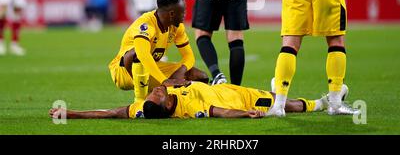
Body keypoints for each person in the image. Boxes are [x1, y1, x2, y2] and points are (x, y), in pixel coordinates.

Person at [49, 81, 351, 120]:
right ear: (169, 106)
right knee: (282, 103)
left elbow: (110, 113)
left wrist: (70, 113)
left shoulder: (145, 109)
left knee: (278, 98)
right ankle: (321, 103)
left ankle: (323, 101)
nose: (156, 90)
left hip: (221, 88)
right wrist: (244, 114)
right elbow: (219, 112)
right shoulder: (190, 109)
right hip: (237, 96)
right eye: (158, 93)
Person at [108, 0, 209, 103]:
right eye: (182, 12)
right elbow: (143, 55)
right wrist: (164, 80)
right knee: (136, 54)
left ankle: (182, 104)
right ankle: (140, 102)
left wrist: (181, 70)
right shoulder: (146, 25)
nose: (185, 15)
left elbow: (189, 56)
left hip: (152, 69)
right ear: (171, 14)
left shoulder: (177, 27)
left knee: (199, 76)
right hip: (124, 72)